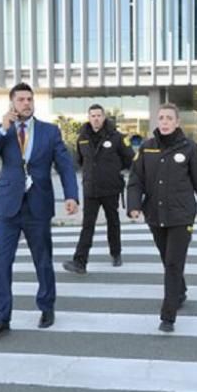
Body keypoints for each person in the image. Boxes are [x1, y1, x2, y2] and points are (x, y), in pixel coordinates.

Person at [0, 83, 79, 339]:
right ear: (12, 103)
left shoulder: (49, 131)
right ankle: (1, 318)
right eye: (21, 99)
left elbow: (65, 166)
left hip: (38, 205)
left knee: (42, 261)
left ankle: (47, 307)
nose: (26, 103)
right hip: (8, 206)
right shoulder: (1, 131)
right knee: (1, 263)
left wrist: (71, 195)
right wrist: (2, 129)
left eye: (29, 99)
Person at [127, 103, 197, 333]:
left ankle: (168, 316)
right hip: (155, 215)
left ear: (177, 122)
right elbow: (135, 180)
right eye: (161, 118)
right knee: (167, 259)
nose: (165, 122)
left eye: (169, 118)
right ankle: (180, 291)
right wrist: (134, 206)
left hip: (181, 216)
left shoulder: (189, 148)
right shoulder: (147, 148)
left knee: (172, 263)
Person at [63, 104, 135, 274]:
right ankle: (80, 262)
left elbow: (130, 159)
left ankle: (116, 253)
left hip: (111, 187)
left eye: (98, 115)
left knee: (113, 222)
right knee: (87, 225)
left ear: (104, 117)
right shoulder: (82, 138)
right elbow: (79, 161)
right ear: (89, 118)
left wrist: (114, 171)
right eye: (92, 115)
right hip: (91, 189)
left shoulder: (116, 137)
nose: (96, 118)